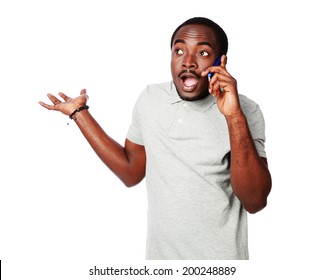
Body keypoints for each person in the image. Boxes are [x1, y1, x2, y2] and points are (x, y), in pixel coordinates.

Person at [39, 17, 272, 260]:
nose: (188, 62)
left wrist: (234, 117)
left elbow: (255, 201)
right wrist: (79, 114)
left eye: (202, 52)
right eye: (179, 50)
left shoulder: (246, 110)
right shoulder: (151, 99)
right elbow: (131, 172)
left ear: (220, 62)